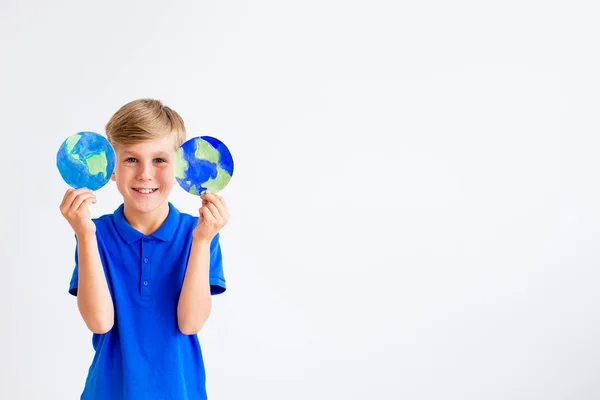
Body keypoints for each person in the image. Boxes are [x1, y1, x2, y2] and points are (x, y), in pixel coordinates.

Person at [59, 98, 229, 399]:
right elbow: (100, 322)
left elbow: (190, 323)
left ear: (180, 167)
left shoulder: (200, 233)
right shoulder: (94, 235)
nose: (145, 174)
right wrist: (85, 235)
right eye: (131, 159)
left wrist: (201, 242)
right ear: (111, 168)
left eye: (159, 160)